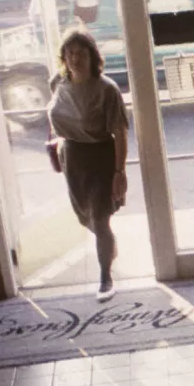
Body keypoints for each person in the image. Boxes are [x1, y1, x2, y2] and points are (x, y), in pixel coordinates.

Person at [46, 27, 130, 299]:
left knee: (100, 219)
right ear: (64, 57)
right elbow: (56, 115)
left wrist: (119, 172)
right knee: (86, 217)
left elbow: (120, 132)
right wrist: (58, 146)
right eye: (70, 53)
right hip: (72, 158)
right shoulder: (57, 84)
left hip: (99, 159)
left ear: (93, 56)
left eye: (81, 53)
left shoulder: (106, 89)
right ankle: (109, 246)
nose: (75, 59)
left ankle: (105, 277)